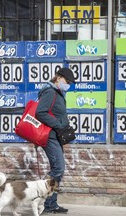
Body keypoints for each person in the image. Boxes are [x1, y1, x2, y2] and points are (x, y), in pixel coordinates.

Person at [35, 67, 75, 213]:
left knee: (58, 169)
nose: (68, 84)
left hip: (56, 135)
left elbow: (56, 113)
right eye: (67, 81)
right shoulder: (50, 91)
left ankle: (51, 205)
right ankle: (40, 200)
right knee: (58, 168)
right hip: (50, 136)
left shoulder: (58, 93)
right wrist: (58, 126)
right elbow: (40, 112)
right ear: (58, 78)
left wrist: (65, 126)